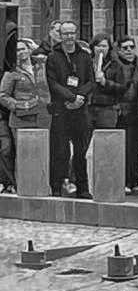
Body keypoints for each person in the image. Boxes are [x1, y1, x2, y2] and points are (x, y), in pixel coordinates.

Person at [46, 21, 95, 198]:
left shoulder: (84, 56)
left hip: (80, 109)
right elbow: (53, 83)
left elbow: (91, 80)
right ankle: (57, 186)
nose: (69, 37)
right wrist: (70, 97)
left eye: (72, 33)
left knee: (80, 151)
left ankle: (82, 187)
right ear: (60, 35)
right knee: (60, 150)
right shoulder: (53, 56)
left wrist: (80, 97)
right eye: (65, 33)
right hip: (62, 108)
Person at [0, 39, 51, 192]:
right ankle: (23, 187)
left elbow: (55, 62)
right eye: (17, 50)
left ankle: (41, 186)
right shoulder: (12, 72)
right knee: (24, 155)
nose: (21, 53)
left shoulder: (40, 66)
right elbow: (2, 95)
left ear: (29, 50)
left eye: (23, 49)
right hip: (21, 118)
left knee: (42, 153)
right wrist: (20, 105)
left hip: (42, 115)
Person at [114, 35, 138, 195]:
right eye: (125, 48)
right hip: (122, 112)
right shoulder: (116, 65)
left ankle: (134, 180)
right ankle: (126, 180)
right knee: (125, 149)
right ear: (119, 50)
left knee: (136, 149)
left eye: (131, 47)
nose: (129, 51)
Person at [89, 33, 124, 129]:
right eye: (98, 46)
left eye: (104, 46)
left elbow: (122, 88)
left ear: (109, 48)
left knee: (106, 140)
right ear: (93, 47)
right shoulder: (87, 62)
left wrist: (106, 82)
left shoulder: (116, 65)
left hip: (107, 108)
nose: (101, 49)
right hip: (88, 107)